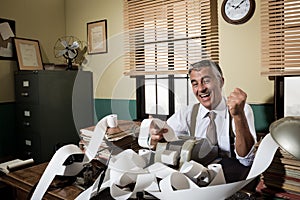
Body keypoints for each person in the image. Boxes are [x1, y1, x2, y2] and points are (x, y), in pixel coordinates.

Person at [150, 60, 257, 182]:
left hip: (230, 180)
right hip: (197, 179)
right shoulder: (186, 113)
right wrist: (155, 137)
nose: (201, 89)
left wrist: (238, 116)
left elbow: (246, 160)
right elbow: (163, 136)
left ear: (221, 82)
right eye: (195, 84)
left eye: (206, 81)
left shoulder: (241, 109)